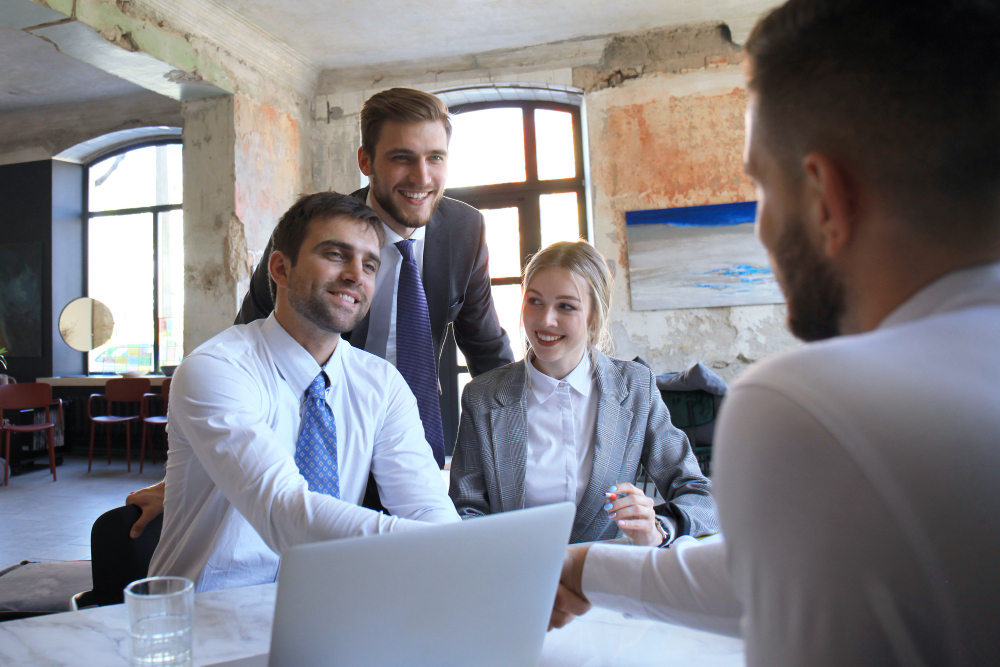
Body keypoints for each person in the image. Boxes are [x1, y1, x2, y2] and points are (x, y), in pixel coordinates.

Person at [551, 1, 1000, 664]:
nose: (761, 227)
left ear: (823, 195)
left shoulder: (809, 406)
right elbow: (808, 567)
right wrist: (588, 566)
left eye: (760, 185)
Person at [127, 87, 514, 537]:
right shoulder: (311, 234)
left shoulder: (465, 230)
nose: (421, 176)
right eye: (402, 157)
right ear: (366, 162)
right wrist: (201, 468)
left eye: (436, 158)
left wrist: (519, 453)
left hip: (404, 431)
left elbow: (487, 351)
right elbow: (249, 347)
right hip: (311, 441)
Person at [148, 192, 459, 592]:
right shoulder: (217, 368)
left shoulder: (381, 384)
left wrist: (462, 557)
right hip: (207, 617)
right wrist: (445, 549)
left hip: (327, 608)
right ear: (280, 267)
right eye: (335, 254)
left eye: (369, 264)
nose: (356, 275)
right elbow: (283, 510)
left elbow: (424, 506)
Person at [449, 241, 718, 545]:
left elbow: (702, 496)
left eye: (566, 306)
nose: (545, 320)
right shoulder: (482, 397)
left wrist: (659, 525)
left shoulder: (635, 387)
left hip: (608, 577)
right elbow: (466, 509)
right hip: (516, 577)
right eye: (535, 301)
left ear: (593, 316)